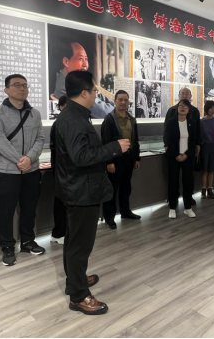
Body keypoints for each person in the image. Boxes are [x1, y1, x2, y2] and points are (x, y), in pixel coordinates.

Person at [55, 71, 130, 316]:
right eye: (95, 91)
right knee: (80, 245)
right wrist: (114, 148)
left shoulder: (73, 115)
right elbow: (81, 157)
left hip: (78, 188)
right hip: (81, 191)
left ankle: (74, 279)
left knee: (74, 241)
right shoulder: (74, 119)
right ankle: (78, 296)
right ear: (85, 93)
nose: (97, 95)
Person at [0, 74, 46, 266]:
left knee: (29, 208)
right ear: (6, 90)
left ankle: (28, 241)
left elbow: (40, 138)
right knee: (6, 210)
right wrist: (19, 160)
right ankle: (7, 246)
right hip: (8, 171)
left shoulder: (35, 113)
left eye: (25, 85)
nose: (22, 88)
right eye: (17, 85)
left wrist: (29, 158)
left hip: (32, 170)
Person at [101, 90, 142, 230]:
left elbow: (135, 140)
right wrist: (109, 162)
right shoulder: (109, 119)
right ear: (115, 101)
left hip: (129, 158)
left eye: (126, 100)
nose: (123, 102)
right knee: (112, 189)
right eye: (120, 99)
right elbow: (105, 142)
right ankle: (109, 217)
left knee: (126, 187)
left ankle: (125, 211)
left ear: (128, 102)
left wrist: (136, 158)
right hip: (115, 159)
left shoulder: (132, 119)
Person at [51, 40, 114, 119]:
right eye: (80, 59)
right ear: (66, 62)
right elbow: (104, 112)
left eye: (86, 59)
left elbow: (100, 97)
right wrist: (120, 110)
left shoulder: (77, 82)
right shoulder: (66, 86)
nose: (85, 65)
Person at [166, 99, 199, 219]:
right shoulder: (171, 122)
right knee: (173, 182)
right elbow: (169, 140)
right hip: (174, 156)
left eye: (185, 106)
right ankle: (172, 208)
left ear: (189, 109)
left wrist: (187, 154)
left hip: (187, 157)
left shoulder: (192, 123)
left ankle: (188, 208)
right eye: (180, 106)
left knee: (188, 182)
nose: (182, 108)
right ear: (177, 108)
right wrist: (176, 155)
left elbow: (193, 141)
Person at [50, 95, 68, 245]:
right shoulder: (59, 124)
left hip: (66, 170)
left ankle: (64, 231)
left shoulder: (67, 123)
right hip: (61, 170)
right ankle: (58, 233)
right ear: (61, 106)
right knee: (61, 202)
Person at [164, 87, 202, 160]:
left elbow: (198, 129)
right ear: (179, 96)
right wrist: (166, 145)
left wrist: (198, 144)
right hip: (174, 148)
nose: (184, 96)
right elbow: (166, 129)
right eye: (183, 93)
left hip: (189, 149)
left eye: (187, 94)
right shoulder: (172, 110)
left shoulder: (195, 111)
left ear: (191, 96)